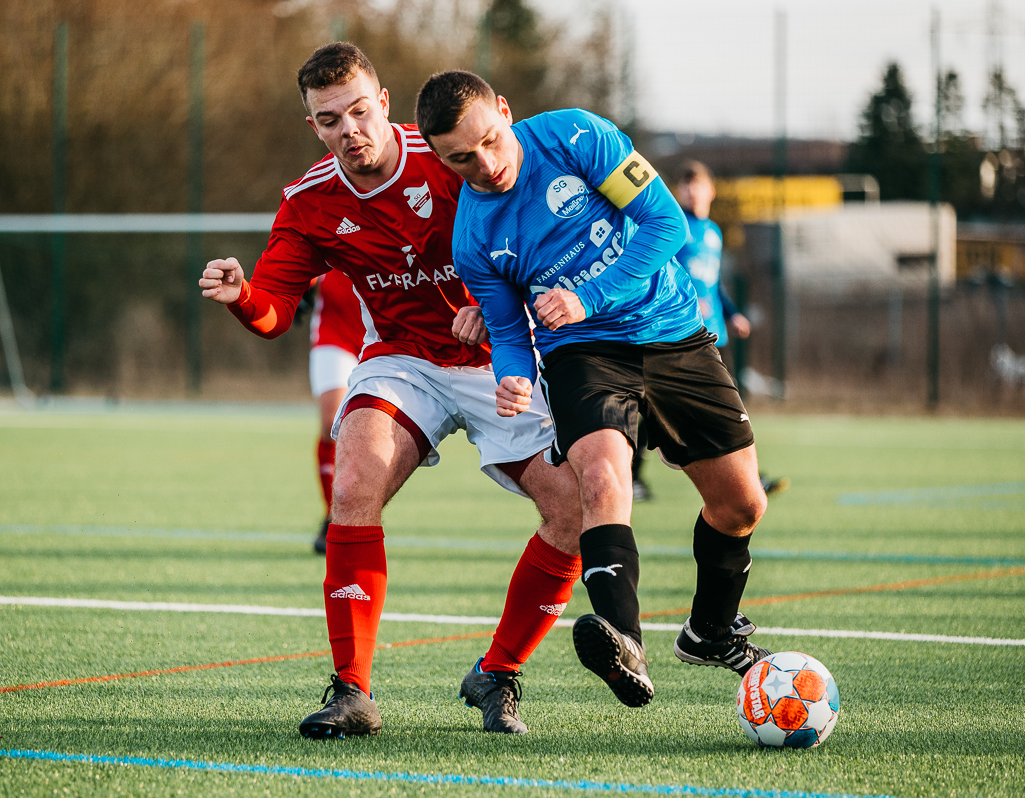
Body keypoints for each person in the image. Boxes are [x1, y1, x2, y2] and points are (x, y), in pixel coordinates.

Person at [199, 44, 584, 738]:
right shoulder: (309, 202)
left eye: (357, 111)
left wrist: (502, 307)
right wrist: (242, 296)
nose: (348, 130)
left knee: (572, 509)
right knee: (353, 484)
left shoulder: (450, 157)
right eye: (329, 120)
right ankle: (352, 691)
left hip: (502, 358)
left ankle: (498, 671)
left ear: (382, 102)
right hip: (403, 362)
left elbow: (540, 240)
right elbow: (275, 313)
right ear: (313, 127)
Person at [417, 71, 771, 710]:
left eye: (490, 141)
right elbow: (508, 331)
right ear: (441, 159)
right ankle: (623, 639)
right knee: (603, 478)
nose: (485, 165)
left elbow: (665, 225)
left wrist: (587, 295)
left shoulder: (576, 136)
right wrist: (513, 376)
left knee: (741, 505)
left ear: (505, 110)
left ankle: (711, 632)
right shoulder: (473, 238)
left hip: (673, 333)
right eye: (461, 159)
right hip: (582, 356)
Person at [671, 160, 788, 497]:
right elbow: (665, 272)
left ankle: (747, 476)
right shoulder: (675, 225)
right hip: (682, 331)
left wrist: (732, 312)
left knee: (730, 407)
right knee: (660, 407)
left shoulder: (713, 232)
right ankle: (632, 475)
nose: (692, 191)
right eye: (686, 185)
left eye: (698, 184)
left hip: (715, 333)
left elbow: (714, 282)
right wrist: (689, 299)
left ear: (711, 190)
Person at [307, 269, 366, 554]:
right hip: (335, 330)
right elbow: (302, 256)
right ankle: (333, 516)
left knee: (371, 430)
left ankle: (359, 512)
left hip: (383, 329)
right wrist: (298, 286)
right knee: (333, 423)